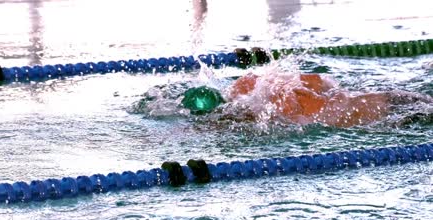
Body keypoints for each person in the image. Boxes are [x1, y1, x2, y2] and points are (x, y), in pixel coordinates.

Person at [181, 70, 432, 128]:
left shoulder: (261, 113)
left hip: (367, 112)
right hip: (360, 97)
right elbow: (317, 79)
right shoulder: (246, 84)